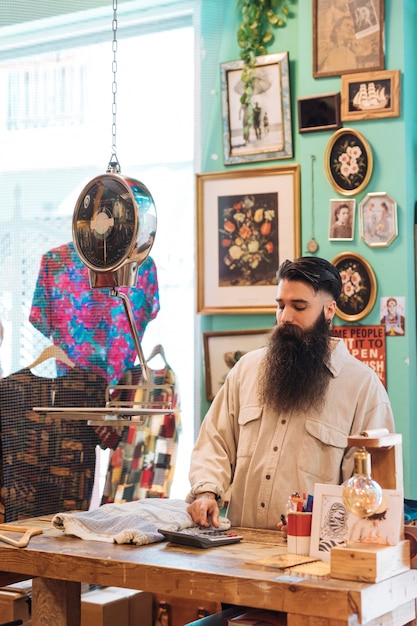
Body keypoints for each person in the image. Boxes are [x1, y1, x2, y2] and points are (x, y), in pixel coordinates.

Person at [186, 256, 395, 530]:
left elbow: (369, 489)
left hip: (315, 559)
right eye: (281, 305)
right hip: (237, 549)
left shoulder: (363, 388)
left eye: (299, 306)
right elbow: (215, 442)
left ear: (329, 310)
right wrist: (206, 492)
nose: (285, 317)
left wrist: (318, 525)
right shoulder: (247, 370)